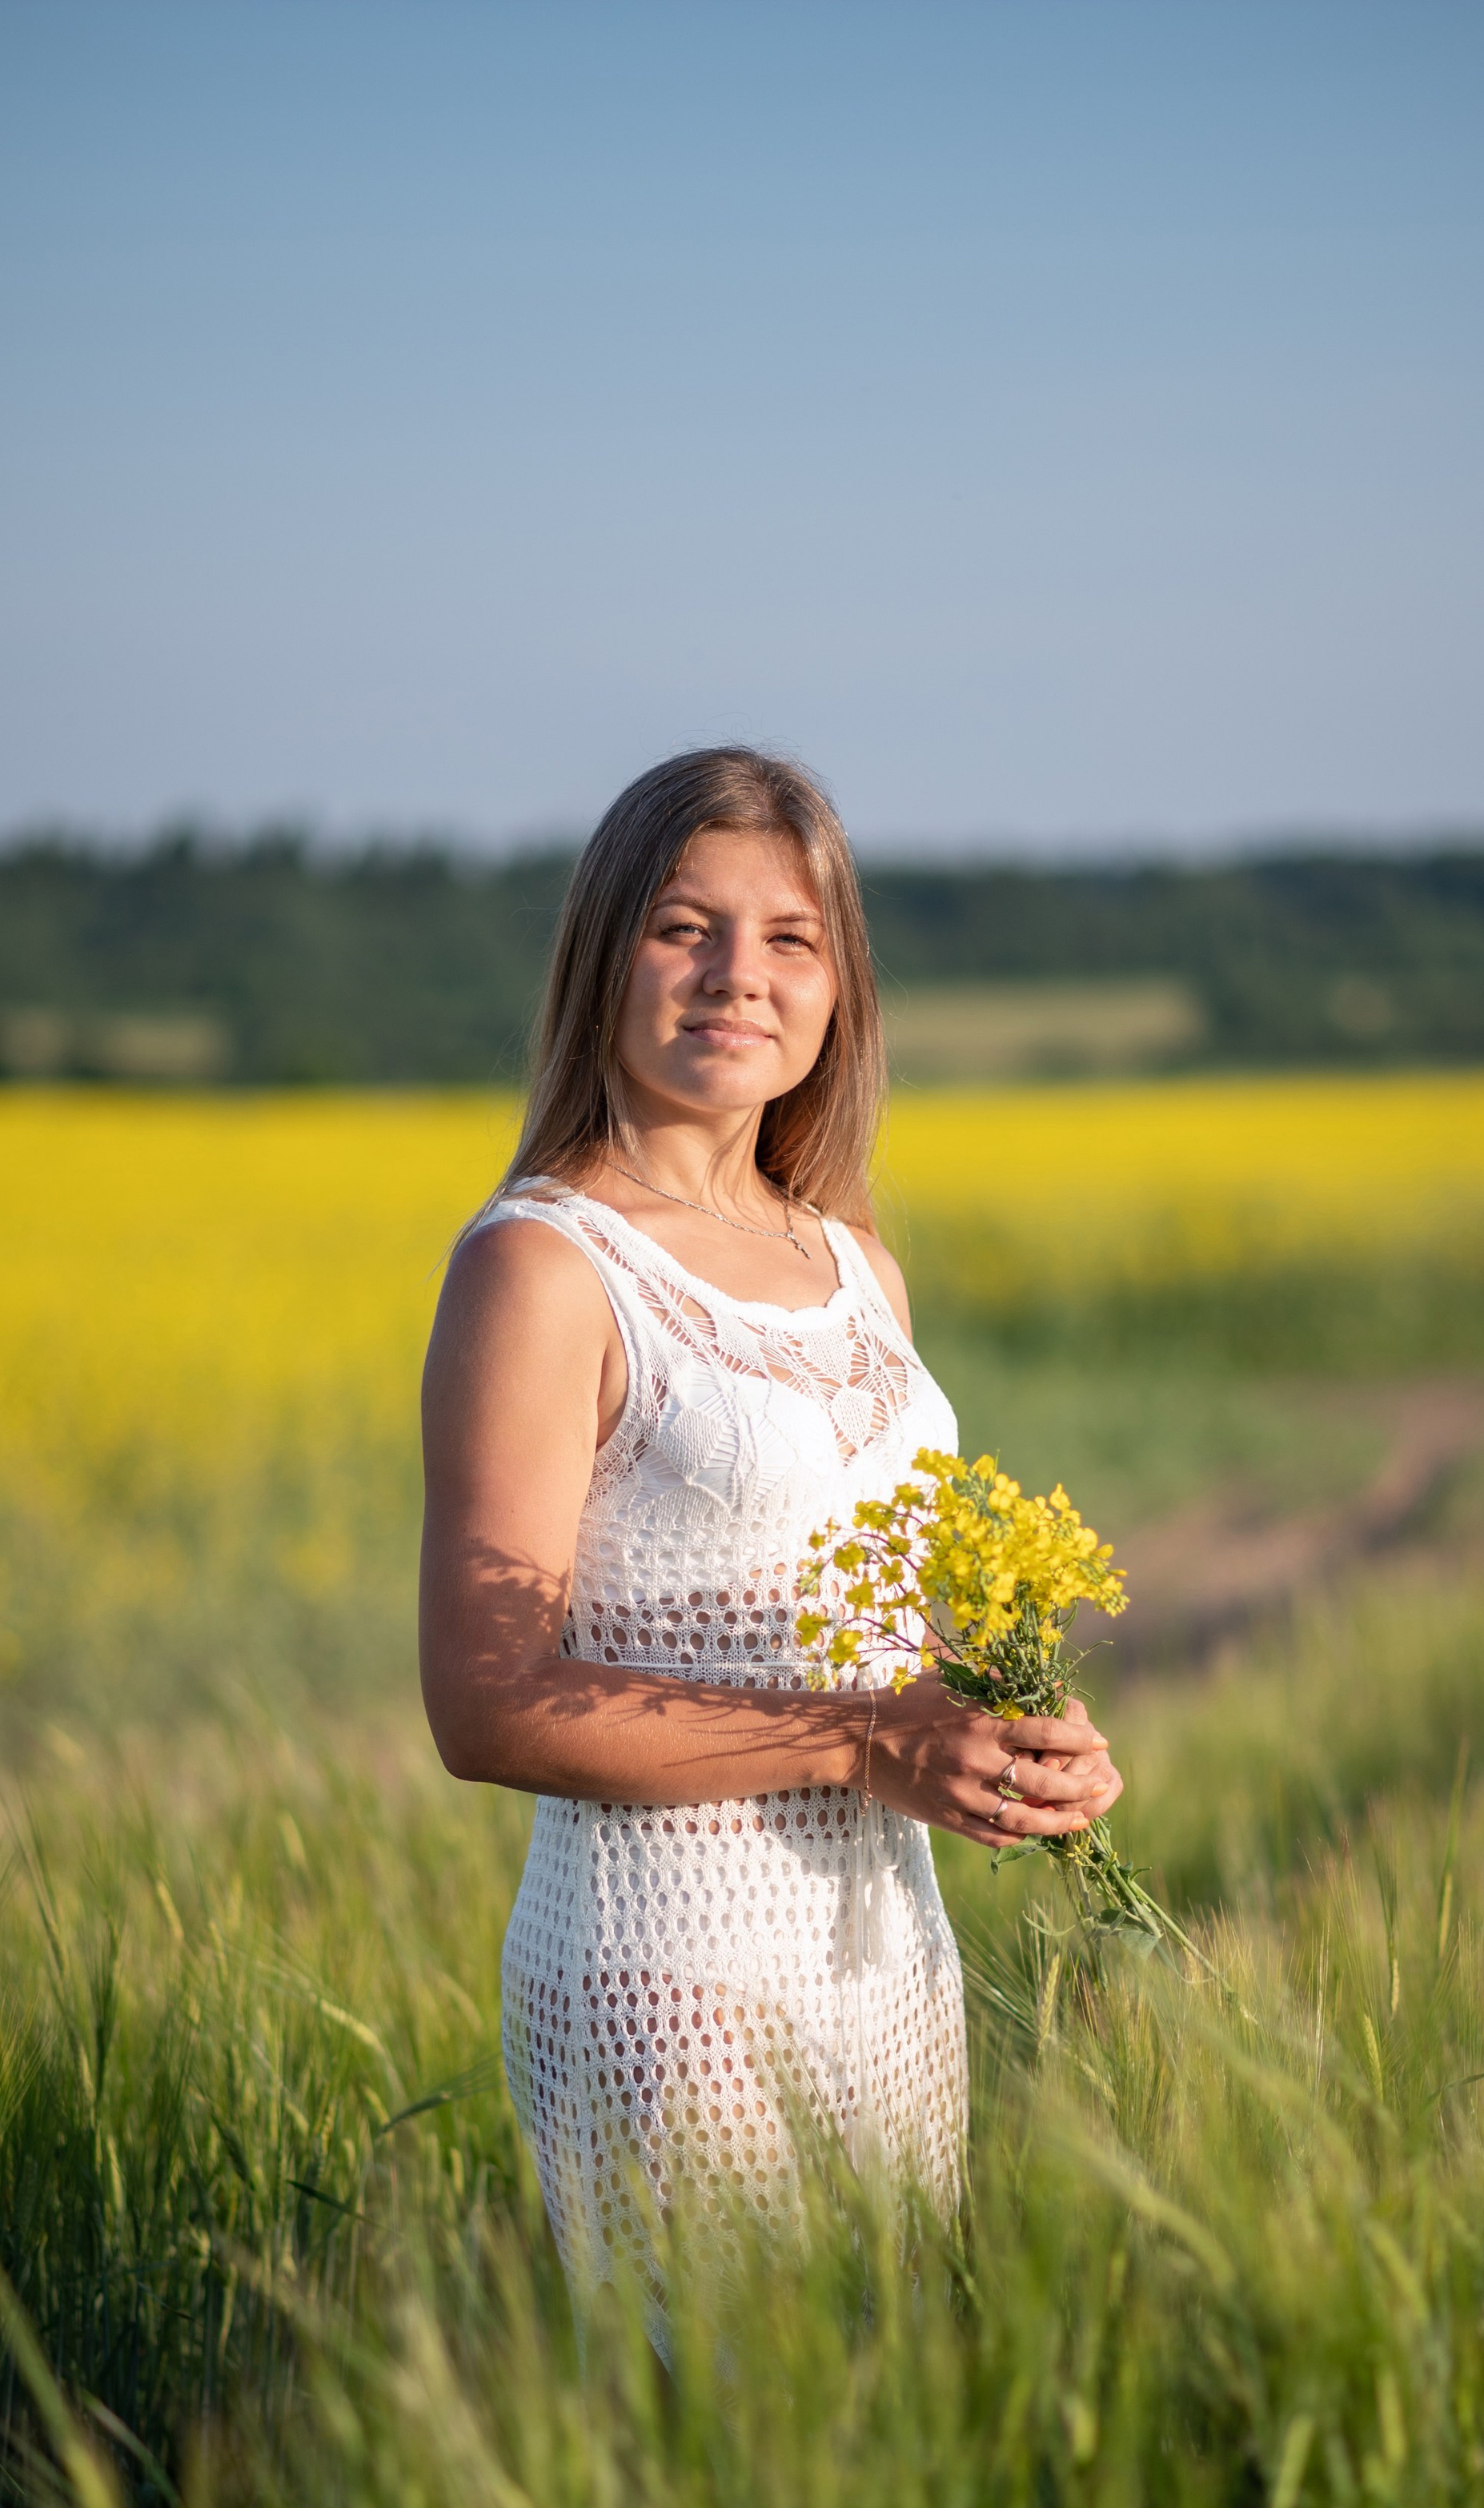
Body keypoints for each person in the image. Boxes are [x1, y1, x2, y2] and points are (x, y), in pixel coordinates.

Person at [419, 747, 1121, 2334]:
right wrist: (866, 1743)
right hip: (667, 1977)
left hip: (885, 1968)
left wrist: (1009, 1731)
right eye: (685, 926)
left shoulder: (855, 1262)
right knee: (719, 2487)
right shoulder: (543, 1267)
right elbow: (485, 1703)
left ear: (837, 985)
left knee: (871, 2476)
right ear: (606, 954)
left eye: (789, 937)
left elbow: (867, 1624)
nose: (739, 974)